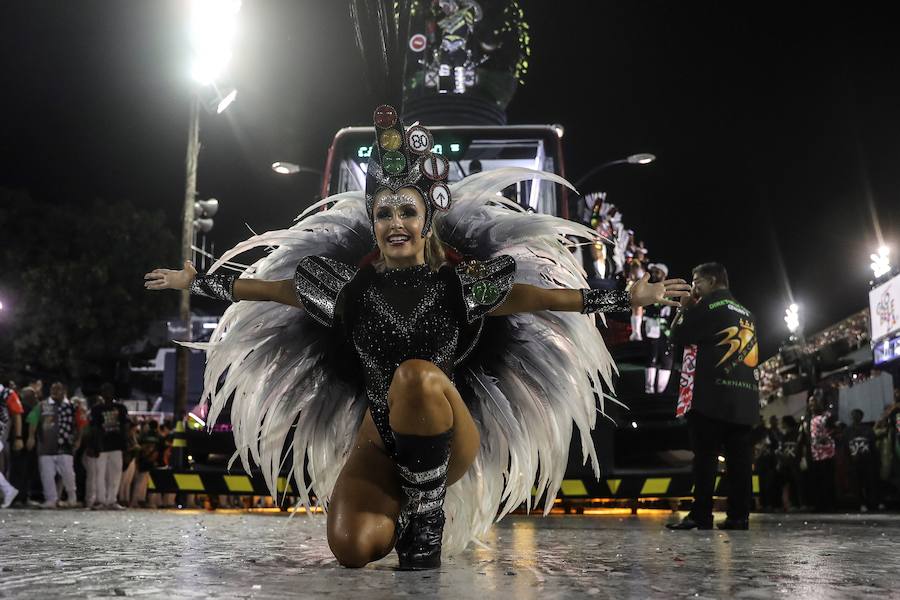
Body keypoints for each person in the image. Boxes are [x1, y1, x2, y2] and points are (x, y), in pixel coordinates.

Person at [145, 107, 690, 569]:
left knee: (415, 375)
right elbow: (269, 289)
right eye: (384, 212)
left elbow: (544, 299)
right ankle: (401, 509)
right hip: (377, 440)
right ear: (374, 221)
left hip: (448, 432)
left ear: (428, 219)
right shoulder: (345, 289)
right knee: (354, 548)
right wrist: (199, 278)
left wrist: (624, 298)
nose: (395, 222)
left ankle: (427, 509)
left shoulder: (461, 284)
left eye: (408, 210)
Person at [666, 262, 759, 531]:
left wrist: (685, 309)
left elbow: (678, 335)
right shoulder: (747, 312)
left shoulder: (708, 307)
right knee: (739, 462)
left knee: (705, 459)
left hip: (711, 399)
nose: (694, 286)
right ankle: (739, 516)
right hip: (744, 400)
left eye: (697, 280)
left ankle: (701, 514)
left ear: (713, 280)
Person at [26, 382, 83, 508]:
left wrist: (79, 439)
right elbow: (33, 420)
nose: (55, 392)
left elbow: (80, 423)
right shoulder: (42, 405)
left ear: (64, 391)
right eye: (53, 389)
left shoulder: (72, 406)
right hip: (46, 446)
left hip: (66, 446)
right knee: (47, 474)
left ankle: (72, 498)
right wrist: (31, 437)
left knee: (68, 473)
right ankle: (50, 499)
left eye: (58, 389)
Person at [90, 383, 129, 510]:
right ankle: (101, 500)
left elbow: (124, 426)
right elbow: (94, 428)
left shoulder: (121, 408)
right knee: (100, 474)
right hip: (102, 445)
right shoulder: (97, 409)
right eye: (105, 391)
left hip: (116, 444)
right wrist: (95, 445)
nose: (107, 393)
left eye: (109, 391)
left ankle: (112, 499)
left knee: (116, 473)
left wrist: (125, 444)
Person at [642, 263, 675, 394]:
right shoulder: (648, 288)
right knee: (651, 358)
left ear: (664, 274)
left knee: (667, 361)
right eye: (653, 272)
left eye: (657, 272)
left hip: (667, 332)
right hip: (653, 328)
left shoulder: (672, 290)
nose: (654, 275)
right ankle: (649, 391)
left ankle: (661, 393)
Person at [844, 408, 879, 512]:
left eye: (857, 415)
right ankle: (861, 503)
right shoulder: (847, 430)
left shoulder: (867, 429)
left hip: (867, 460)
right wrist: (849, 459)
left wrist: (874, 460)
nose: (855, 417)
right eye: (853, 415)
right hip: (854, 462)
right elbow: (845, 447)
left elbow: (873, 445)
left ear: (861, 417)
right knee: (857, 484)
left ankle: (871, 503)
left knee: (869, 482)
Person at [809, 395, 837, 512]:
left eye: (814, 402)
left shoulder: (827, 416)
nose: (811, 405)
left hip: (827, 453)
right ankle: (819, 504)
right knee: (817, 481)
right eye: (810, 402)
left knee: (828, 480)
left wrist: (825, 437)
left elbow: (835, 429)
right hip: (815, 454)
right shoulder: (808, 418)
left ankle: (830, 504)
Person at [0, 382, 24, 507]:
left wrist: (18, 437)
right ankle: (8, 490)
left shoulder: (6, 392)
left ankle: (8, 490)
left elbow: (17, 413)